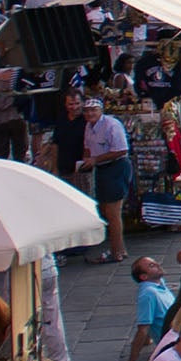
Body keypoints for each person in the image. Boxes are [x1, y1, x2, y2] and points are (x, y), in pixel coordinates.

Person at [79, 97, 132, 263]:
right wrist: (86, 161)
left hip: (116, 167)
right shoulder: (89, 126)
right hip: (101, 168)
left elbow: (121, 150)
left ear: (101, 111)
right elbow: (88, 148)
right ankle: (119, 249)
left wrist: (95, 160)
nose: (90, 114)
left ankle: (117, 251)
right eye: (87, 111)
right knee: (104, 209)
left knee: (113, 211)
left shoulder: (112, 125)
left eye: (93, 110)